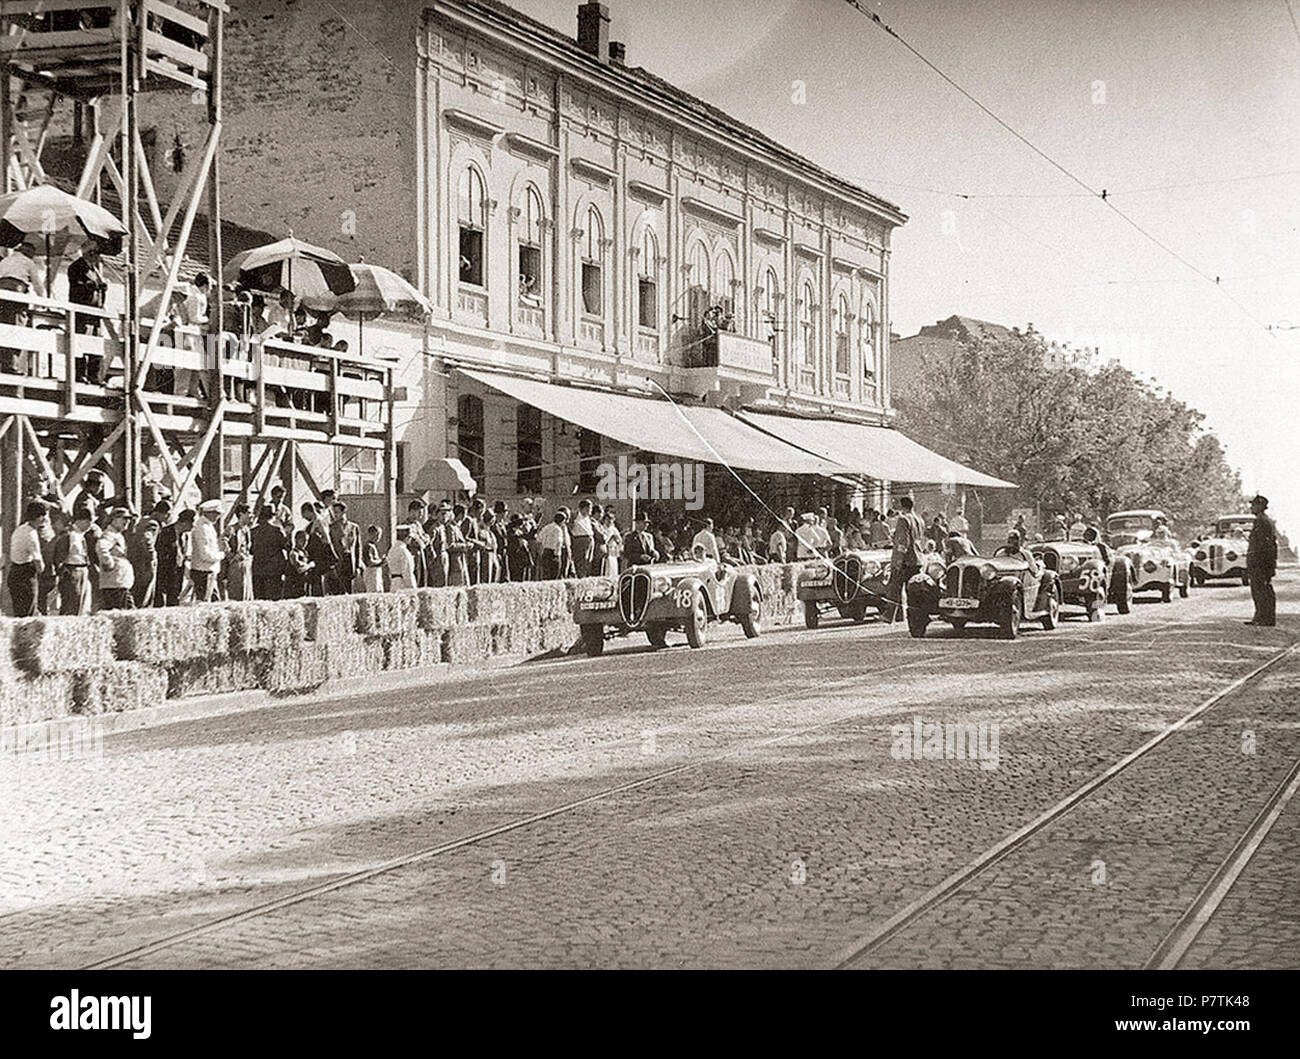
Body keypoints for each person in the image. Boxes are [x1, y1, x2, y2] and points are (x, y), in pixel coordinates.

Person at [885, 496, 927, 622]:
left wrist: (898, 560)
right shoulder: (919, 520)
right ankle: (912, 617)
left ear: (902, 505)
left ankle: (890, 615)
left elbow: (903, 542)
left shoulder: (903, 519)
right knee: (914, 590)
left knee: (894, 587)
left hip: (905, 560)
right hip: (918, 559)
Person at [7, 500, 49, 616]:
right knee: (28, 613)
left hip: (14, 571)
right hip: (25, 573)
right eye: (43, 516)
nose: (45, 519)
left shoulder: (20, 529)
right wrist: (43, 570)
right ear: (39, 517)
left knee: (19, 612)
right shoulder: (31, 534)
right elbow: (38, 561)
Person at [51, 506, 94, 616]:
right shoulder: (68, 534)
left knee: (80, 604)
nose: (90, 525)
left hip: (82, 569)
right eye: (89, 522)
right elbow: (59, 556)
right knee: (71, 603)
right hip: (72, 570)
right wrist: (61, 572)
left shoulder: (81, 535)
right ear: (81, 521)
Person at [96, 505, 136, 610]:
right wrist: (109, 563)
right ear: (114, 519)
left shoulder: (118, 535)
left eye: (128, 519)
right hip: (115, 584)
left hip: (118, 583)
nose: (127, 522)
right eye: (124, 518)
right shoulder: (109, 534)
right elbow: (101, 547)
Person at [1246, 494, 1277, 627]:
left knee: (1262, 590)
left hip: (1261, 563)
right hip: (1259, 562)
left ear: (1260, 506)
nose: (1251, 507)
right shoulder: (1261, 520)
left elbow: (1265, 545)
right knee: (1258, 590)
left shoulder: (1262, 521)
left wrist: (1266, 564)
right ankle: (1260, 617)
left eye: (1254, 505)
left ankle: (1266, 618)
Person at [155, 508, 193, 606]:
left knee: (174, 598)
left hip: (177, 573)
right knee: (161, 599)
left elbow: (182, 553)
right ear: (184, 522)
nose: (193, 526)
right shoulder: (165, 532)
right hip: (165, 572)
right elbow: (160, 552)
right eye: (191, 523)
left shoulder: (185, 536)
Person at [250, 505, 289, 600]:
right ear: (273, 516)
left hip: (258, 569)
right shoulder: (277, 530)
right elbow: (287, 546)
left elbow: (251, 550)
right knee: (274, 599)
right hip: (274, 569)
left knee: (260, 599)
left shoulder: (253, 531)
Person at [191, 500, 225, 602]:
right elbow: (205, 555)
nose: (218, 517)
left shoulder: (208, 526)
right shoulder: (202, 528)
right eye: (217, 514)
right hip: (203, 571)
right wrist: (221, 555)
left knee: (213, 601)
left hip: (208, 570)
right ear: (209, 513)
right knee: (204, 603)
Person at [328, 500, 361, 594]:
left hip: (350, 561)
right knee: (338, 590)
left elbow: (358, 547)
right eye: (334, 513)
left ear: (344, 512)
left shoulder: (354, 527)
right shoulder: (331, 528)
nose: (335, 515)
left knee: (349, 589)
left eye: (337, 512)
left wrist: (358, 565)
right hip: (338, 561)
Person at [128, 514, 160, 608]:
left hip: (138, 565)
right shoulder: (147, 536)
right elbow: (150, 552)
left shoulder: (136, 535)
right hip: (144, 566)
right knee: (144, 592)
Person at [224, 503, 254, 601]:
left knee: (247, 593)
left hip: (246, 564)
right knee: (236, 592)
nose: (251, 515)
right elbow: (222, 541)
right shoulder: (232, 529)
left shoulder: (247, 530)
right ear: (241, 514)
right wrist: (231, 556)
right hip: (236, 566)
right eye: (249, 513)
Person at [535, 511, 569, 581]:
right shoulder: (558, 529)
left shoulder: (547, 527)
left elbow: (539, 539)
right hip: (553, 553)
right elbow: (558, 542)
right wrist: (556, 555)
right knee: (554, 574)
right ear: (562, 521)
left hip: (545, 551)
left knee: (545, 573)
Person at [283, 530, 314, 599]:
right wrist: (310, 565)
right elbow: (299, 570)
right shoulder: (294, 553)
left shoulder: (305, 552)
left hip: (303, 584)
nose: (305, 543)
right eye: (303, 540)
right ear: (296, 540)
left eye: (307, 541)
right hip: (293, 586)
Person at [569, 499, 596, 577]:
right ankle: (580, 575)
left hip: (589, 538)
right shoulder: (575, 515)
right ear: (582, 508)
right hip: (580, 539)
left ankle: (585, 575)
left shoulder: (588, 518)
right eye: (588, 509)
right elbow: (570, 526)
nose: (590, 511)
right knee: (581, 560)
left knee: (588, 560)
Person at [386, 526, 415, 592]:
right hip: (403, 584)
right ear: (407, 537)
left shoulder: (392, 550)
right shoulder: (404, 551)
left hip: (394, 583)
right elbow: (407, 572)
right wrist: (412, 588)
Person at [599, 510, 622, 578]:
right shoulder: (602, 528)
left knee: (614, 567)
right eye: (607, 520)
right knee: (607, 568)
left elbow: (619, 540)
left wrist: (617, 540)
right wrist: (611, 537)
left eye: (611, 520)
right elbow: (604, 540)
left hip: (614, 550)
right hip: (607, 550)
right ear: (604, 520)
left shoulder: (614, 529)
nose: (609, 521)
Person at [362, 525, 384, 593]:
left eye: (379, 534)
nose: (378, 537)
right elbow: (369, 562)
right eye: (376, 534)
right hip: (371, 573)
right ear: (370, 534)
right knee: (373, 592)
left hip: (376, 573)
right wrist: (381, 561)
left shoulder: (373, 546)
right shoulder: (368, 546)